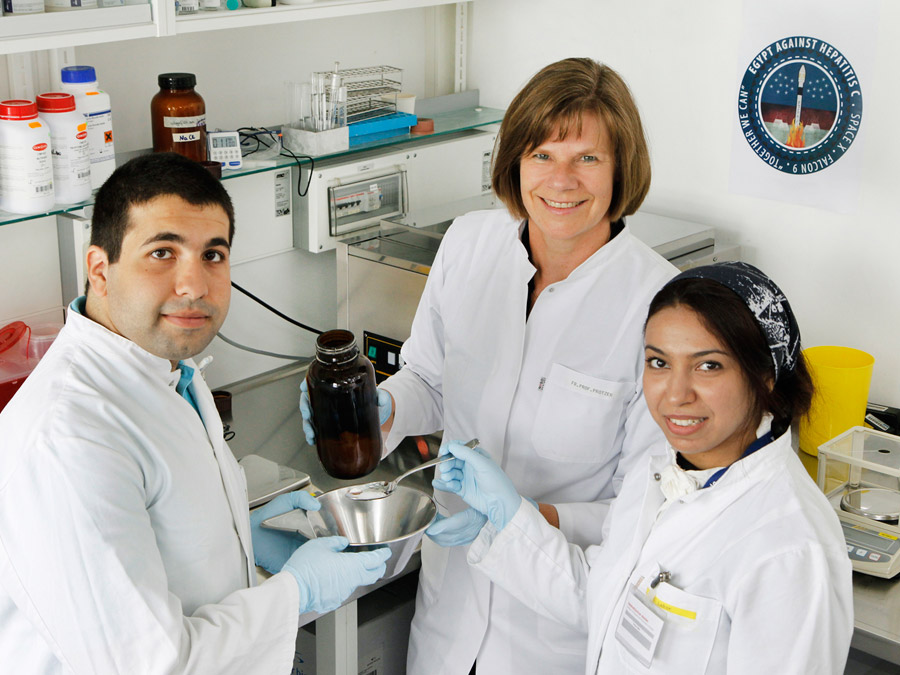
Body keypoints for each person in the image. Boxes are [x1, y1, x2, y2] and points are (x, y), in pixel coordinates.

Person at [302, 57, 677, 673]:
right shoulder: (469, 243)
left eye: (587, 158)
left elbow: (649, 513)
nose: (561, 179)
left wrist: (517, 517)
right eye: (541, 155)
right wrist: (381, 408)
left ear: (621, 171)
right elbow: (427, 378)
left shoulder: (658, 308)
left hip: (552, 633)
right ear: (514, 162)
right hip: (448, 615)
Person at [0, 152, 390, 674]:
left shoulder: (167, 366)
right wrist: (296, 592)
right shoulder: (69, 437)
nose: (195, 286)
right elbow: (149, 666)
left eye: (213, 254)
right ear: (100, 269)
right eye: (163, 252)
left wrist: (234, 530)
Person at [434, 261, 854, 674]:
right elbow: (604, 602)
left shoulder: (790, 550)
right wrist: (505, 522)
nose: (675, 394)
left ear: (766, 377)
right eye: (659, 362)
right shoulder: (660, 473)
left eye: (708, 365)